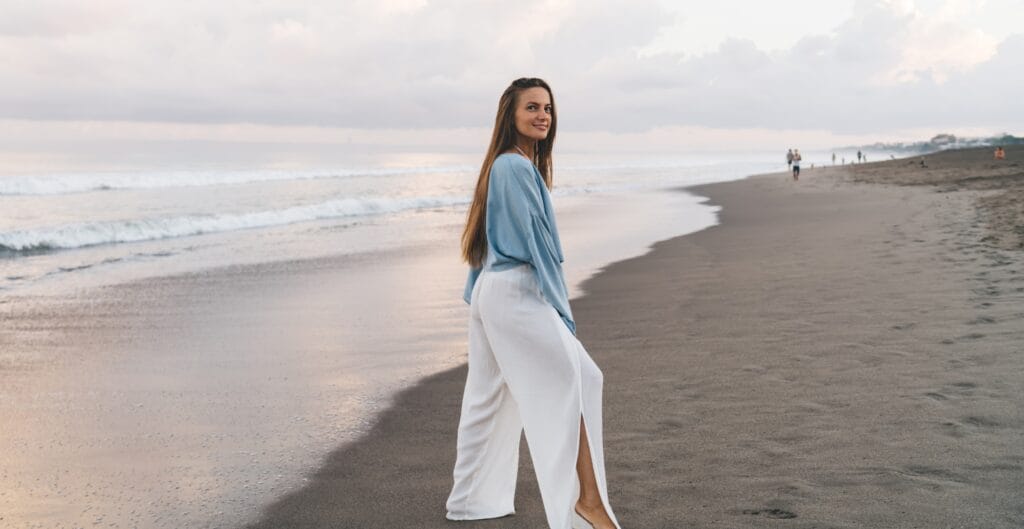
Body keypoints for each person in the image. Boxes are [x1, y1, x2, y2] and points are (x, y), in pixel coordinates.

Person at [446, 77, 622, 529]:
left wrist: (476, 296)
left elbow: (487, 237)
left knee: (490, 395)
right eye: (532, 107)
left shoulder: (508, 165)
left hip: (496, 289)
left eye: (547, 108)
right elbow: (537, 244)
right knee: (575, 379)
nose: (543, 115)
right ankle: (587, 502)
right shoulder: (513, 167)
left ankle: (472, 501)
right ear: (512, 115)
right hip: (514, 292)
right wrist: (561, 309)